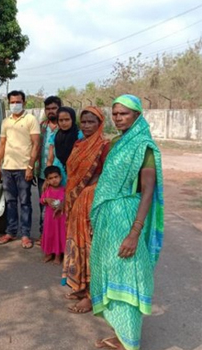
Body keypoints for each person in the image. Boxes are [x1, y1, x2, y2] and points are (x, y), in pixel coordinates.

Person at [90, 95, 164, 350]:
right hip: (108, 220)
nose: (118, 118)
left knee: (128, 276)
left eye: (124, 114)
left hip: (127, 218)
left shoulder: (143, 146)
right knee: (110, 273)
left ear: (137, 115)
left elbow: (147, 191)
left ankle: (128, 341)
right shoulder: (117, 143)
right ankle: (120, 333)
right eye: (115, 114)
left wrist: (134, 233)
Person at [61, 106, 110, 314]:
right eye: (84, 121)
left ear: (100, 124)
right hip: (75, 201)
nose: (87, 125)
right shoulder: (79, 143)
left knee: (90, 247)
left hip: (91, 201)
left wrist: (88, 193)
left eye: (92, 122)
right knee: (76, 244)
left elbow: (107, 175)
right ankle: (80, 286)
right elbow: (71, 173)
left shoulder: (104, 145)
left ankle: (91, 296)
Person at [0, 90, 41, 249]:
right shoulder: (6, 122)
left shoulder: (30, 119)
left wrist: (30, 167)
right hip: (7, 168)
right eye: (12, 102)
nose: (15, 105)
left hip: (23, 168)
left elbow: (36, 144)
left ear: (24, 102)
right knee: (10, 202)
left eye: (18, 102)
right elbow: (2, 143)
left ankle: (26, 234)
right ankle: (11, 231)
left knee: (25, 202)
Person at [36, 96, 61, 245]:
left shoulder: (65, 125)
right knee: (44, 204)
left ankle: (60, 236)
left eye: (54, 108)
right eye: (48, 109)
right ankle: (43, 234)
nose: (51, 111)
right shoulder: (42, 127)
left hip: (61, 173)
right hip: (42, 173)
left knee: (61, 204)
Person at [47, 106, 83, 185]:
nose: (64, 123)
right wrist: (48, 179)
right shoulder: (54, 136)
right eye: (61, 120)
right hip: (57, 178)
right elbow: (50, 159)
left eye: (67, 120)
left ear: (72, 120)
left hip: (75, 176)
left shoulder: (80, 136)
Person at [39, 166, 66, 265]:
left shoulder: (64, 190)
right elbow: (41, 200)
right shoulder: (47, 190)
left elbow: (66, 202)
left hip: (60, 218)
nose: (54, 180)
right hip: (49, 219)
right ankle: (49, 253)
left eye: (56, 177)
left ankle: (58, 255)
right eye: (51, 178)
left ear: (61, 177)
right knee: (49, 234)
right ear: (47, 180)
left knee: (59, 235)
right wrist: (46, 200)